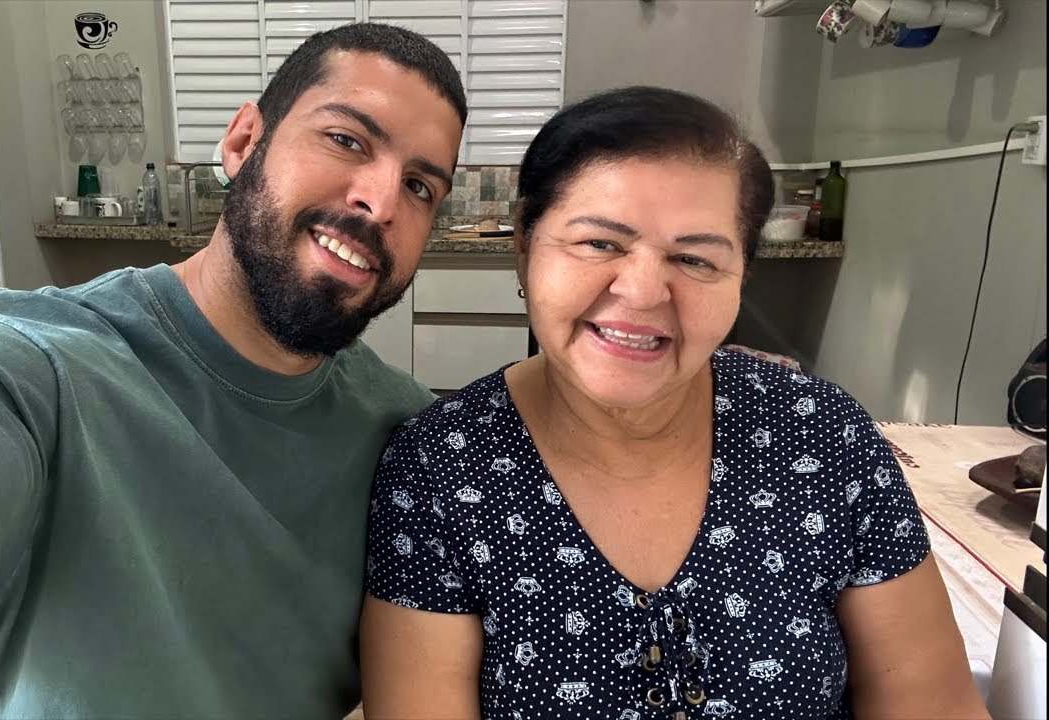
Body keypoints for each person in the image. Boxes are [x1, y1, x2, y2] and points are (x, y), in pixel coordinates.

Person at [0, 23, 465, 719]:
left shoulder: (408, 436)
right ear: (244, 141)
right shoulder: (35, 373)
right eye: (346, 139)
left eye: (419, 186)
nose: (380, 201)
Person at [358, 87, 988, 719]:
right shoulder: (440, 469)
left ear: (744, 273)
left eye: (694, 258)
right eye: (600, 243)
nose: (641, 291)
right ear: (524, 243)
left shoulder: (823, 438)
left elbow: (929, 699)